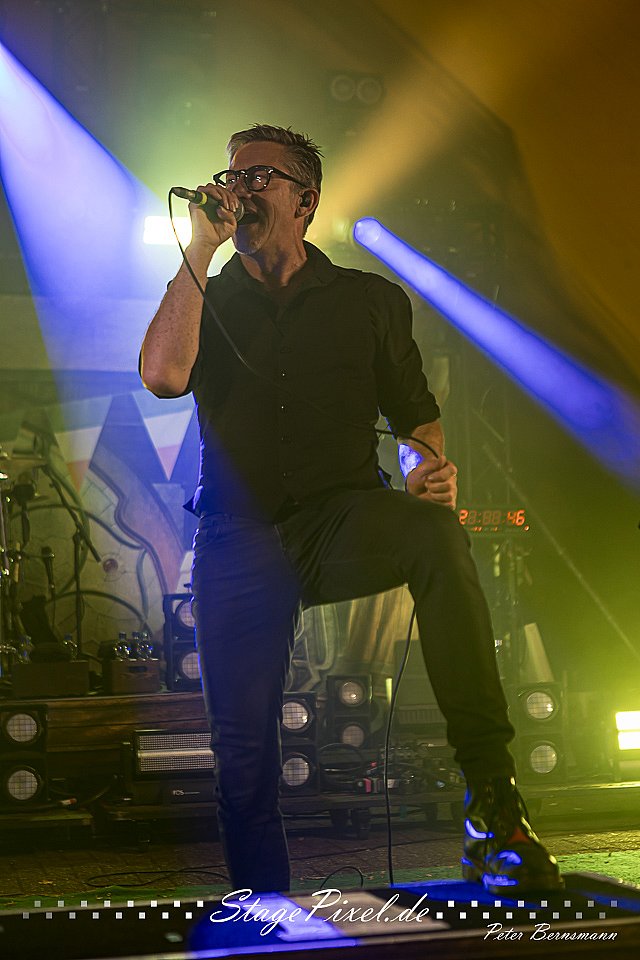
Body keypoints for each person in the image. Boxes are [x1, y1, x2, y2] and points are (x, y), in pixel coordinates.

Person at [140, 124, 562, 896]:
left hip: (340, 520)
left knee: (434, 534)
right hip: (239, 533)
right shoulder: (205, 293)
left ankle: (493, 805)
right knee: (242, 753)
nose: (237, 189)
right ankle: (265, 905)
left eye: (259, 177)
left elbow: (416, 418)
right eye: (231, 176)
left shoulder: (369, 301)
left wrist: (423, 472)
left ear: (305, 202)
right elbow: (163, 376)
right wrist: (199, 248)